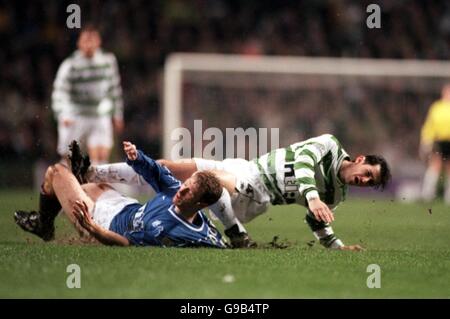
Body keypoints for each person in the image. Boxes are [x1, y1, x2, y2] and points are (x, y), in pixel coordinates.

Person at [74, 134, 391, 250]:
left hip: (259, 194)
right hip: (246, 167)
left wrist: (335, 245)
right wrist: (312, 195)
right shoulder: (330, 145)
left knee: (206, 180)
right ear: (360, 160)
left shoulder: (337, 195)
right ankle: (91, 172)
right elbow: (301, 160)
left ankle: (235, 230)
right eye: (366, 174)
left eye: (369, 183)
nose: (363, 181)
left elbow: (316, 220)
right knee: (169, 166)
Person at [14, 141, 227, 248]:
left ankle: (44, 225)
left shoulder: (168, 230)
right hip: (123, 206)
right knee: (84, 185)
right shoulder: (180, 195)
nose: (182, 189)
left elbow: (125, 243)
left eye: (189, 191)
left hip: (102, 222)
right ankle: (49, 216)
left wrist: (93, 228)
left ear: (200, 203)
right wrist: (138, 157)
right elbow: (157, 172)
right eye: (185, 184)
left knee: (57, 172)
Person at [52, 25, 124, 164]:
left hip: (99, 115)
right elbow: (60, 91)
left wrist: (117, 114)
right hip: (76, 114)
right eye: (86, 40)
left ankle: (97, 185)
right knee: (69, 159)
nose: (89, 44)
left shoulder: (108, 61)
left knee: (101, 158)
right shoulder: (70, 65)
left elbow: (114, 89)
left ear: (99, 41)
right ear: (79, 43)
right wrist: (63, 114)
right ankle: (66, 184)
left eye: (92, 40)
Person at [420, 84, 450, 204]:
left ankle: (448, 196)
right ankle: (427, 193)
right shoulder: (436, 107)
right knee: (435, 164)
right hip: (439, 141)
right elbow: (429, 125)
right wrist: (426, 140)